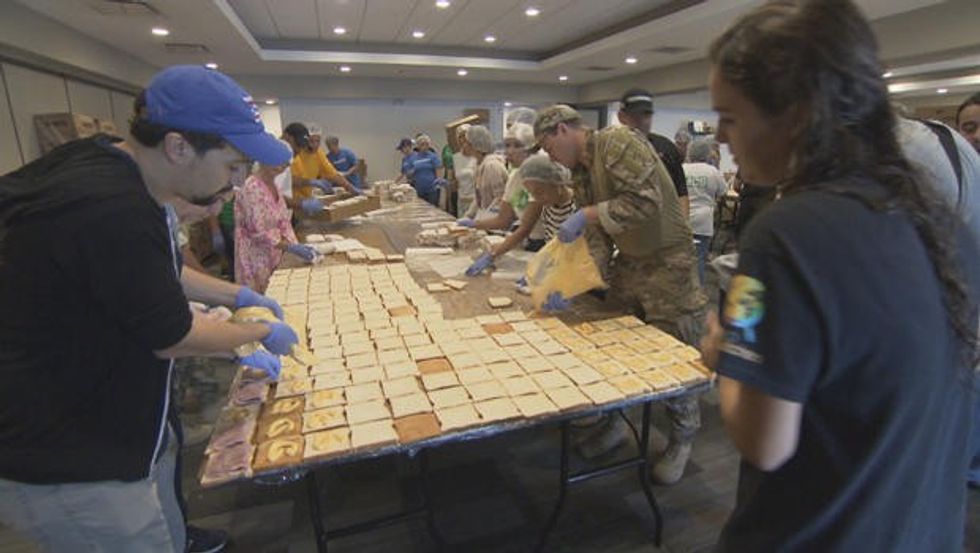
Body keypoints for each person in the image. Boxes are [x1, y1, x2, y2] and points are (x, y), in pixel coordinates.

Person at [698, 2, 978, 551]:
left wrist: (722, 356)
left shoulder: (782, 236)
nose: (722, 137)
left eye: (730, 117)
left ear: (797, 113)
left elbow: (765, 441)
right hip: (919, 527)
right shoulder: (941, 222)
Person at [0, 65, 300, 553]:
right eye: (232, 166)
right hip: (73, 451)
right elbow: (173, 335)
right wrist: (255, 331)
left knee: (166, 521)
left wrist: (238, 296)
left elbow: (156, 274)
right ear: (179, 147)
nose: (238, 182)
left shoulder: (119, 168)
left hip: (116, 416)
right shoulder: (110, 205)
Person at [534, 104, 707, 483]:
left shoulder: (616, 142)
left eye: (547, 146)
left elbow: (645, 203)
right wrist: (571, 283)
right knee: (613, 345)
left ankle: (681, 437)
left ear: (562, 129)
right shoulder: (580, 170)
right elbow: (596, 238)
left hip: (668, 264)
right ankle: (615, 422)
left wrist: (587, 215)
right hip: (629, 261)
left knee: (673, 353)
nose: (549, 156)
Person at [466, 155, 576, 276]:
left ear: (558, 184)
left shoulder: (577, 208)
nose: (536, 198)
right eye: (532, 194)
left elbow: (580, 255)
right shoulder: (548, 206)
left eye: (539, 192)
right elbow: (552, 246)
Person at [235, 140, 318, 293]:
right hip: (255, 257)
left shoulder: (274, 186)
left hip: (274, 251)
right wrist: (289, 247)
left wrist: (295, 245)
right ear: (263, 158)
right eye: (276, 163)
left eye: (285, 165)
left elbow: (283, 222)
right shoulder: (251, 188)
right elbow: (258, 232)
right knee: (264, 301)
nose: (280, 168)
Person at [458, 123, 546, 249]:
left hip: (543, 241)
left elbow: (527, 225)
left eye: (517, 145)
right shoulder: (515, 177)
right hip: (527, 239)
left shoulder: (540, 176)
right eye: (507, 145)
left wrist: (497, 251)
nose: (509, 151)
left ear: (531, 148)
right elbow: (503, 219)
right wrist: (472, 223)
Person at [618, 88, 690, 218]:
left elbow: (681, 193)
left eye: (647, 115)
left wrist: (684, 227)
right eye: (636, 116)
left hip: (662, 226)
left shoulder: (665, 148)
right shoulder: (611, 151)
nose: (643, 121)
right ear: (622, 117)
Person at [282, 122, 356, 216]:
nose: (315, 145)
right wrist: (311, 182)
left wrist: (350, 187)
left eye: (317, 141)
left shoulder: (318, 154)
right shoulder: (295, 154)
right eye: (311, 141)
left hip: (306, 201)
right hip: (292, 202)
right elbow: (289, 180)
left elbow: (333, 174)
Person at [683, 137, 729, 284]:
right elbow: (723, 192)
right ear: (707, 154)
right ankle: (698, 296)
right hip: (703, 222)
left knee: (681, 260)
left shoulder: (682, 169)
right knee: (699, 261)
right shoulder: (712, 172)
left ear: (690, 152)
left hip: (683, 219)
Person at [461, 124, 509, 220]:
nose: (463, 146)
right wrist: (468, 216)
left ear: (475, 145)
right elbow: (479, 198)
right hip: (487, 221)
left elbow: (500, 199)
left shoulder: (492, 166)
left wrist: (483, 218)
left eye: (466, 142)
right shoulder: (478, 165)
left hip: (497, 224)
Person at [402, 134, 442, 206]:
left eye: (426, 144)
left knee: (432, 209)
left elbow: (438, 170)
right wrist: (413, 171)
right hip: (419, 189)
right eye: (422, 144)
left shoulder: (432, 156)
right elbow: (408, 174)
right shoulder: (413, 158)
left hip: (432, 189)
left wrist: (438, 183)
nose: (424, 147)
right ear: (418, 146)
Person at [453, 125, 477, 217]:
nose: (462, 139)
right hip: (461, 201)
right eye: (460, 136)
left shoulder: (477, 156)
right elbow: (457, 182)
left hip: (476, 203)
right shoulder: (455, 157)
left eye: (465, 135)